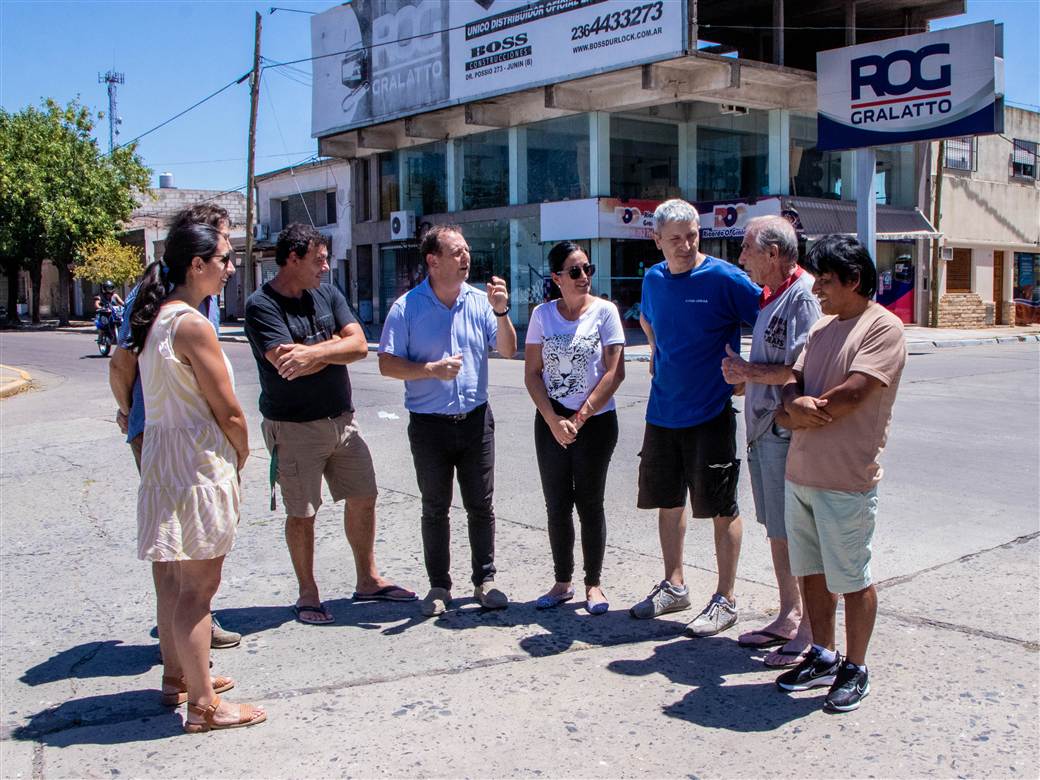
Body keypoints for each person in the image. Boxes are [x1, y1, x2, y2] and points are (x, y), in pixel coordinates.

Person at [129, 218, 265, 733]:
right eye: (225, 259)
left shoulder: (157, 317)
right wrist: (243, 452)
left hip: (165, 457)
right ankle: (204, 705)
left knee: (172, 580)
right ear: (197, 264)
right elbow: (227, 409)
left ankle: (177, 678)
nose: (230, 268)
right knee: (198, 591)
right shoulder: (191, 323)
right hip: (196, 462)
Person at [245, 223, 413, 626]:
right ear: (292, 258)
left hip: (342, 421)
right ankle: (308, 592)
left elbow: (358, 346)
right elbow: (286, 364)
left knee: (364, 495)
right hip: (294, 426)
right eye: (318, 259)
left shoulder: (327, 293)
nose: (325, 266)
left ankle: (368, 579)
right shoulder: (261, 305)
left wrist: (313, 353)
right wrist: (331, 349)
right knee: (302, 512)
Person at [774, 234, 906, 713]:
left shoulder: (883, 328)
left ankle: (856, 665)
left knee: (851, 576)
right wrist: (793, 404)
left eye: (826, 281)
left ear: (854, 280)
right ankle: (823, 655)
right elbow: (792, 384)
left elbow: (854, 394)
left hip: (847, 479)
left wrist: (802, 409)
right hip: (801, 474)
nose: (817, 291)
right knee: (810, 572)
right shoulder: (822, 330)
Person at [110, 204, 242, 651]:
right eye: (222, 248)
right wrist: (131, 416)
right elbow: (121, 361)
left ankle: (182, 663)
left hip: (177, 432)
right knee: (182, 565)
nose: (230, 263)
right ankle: (193, 675)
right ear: (196, 258)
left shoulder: (188, 303)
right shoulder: (168, 302)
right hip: (172, 433)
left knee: (185, 554)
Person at [630, 199, 760, 638]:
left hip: (711, 412)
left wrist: (750, 375)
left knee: (722, 506)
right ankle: (675, 584)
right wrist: (657, 354)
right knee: (668, 503)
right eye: (675, 239)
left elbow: (772, 322)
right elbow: (650, 321)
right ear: (657, 240)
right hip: (663, 412)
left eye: (692, 235)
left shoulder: (724, 279)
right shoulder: (653, 279)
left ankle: (725, 599)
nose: (685, 245)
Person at [378, 224, 518, 617]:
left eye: (466, 250)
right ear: (432, 261)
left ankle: (484, 580)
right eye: (456, 251)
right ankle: (439, 586)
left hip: (475, 421)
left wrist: (502, 310)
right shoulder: (407, 308)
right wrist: (429, 370)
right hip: (429, 425)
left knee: (481, 505)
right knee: (435, 507)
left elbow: (508, 350)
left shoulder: (479, 302)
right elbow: (387, 363)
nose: (465, 257)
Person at [721, 216, 821, 667]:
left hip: (783, 431)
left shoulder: (803, 297)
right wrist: (747, 380)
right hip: (764, 429)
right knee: (777, 530)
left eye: (746, 248)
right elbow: (773, 365)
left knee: (796, 532)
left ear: (774, 253)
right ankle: (789, 613)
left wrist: (748, 373)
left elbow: (799, 370)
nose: (741, 258)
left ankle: (810, 629)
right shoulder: (773, 297)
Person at [525, 242, 625, 615]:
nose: (584, 277)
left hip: (595, 423)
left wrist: (578, 419)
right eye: (574, 271)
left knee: (589, 502)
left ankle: (593, 584)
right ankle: (562, 581)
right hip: (551, 421)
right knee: (557, 505)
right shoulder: (542, 315)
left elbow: (615, 373)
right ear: (556, 278)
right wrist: (553, 420)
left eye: (587, 269)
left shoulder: (605, 313)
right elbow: (532, 374)